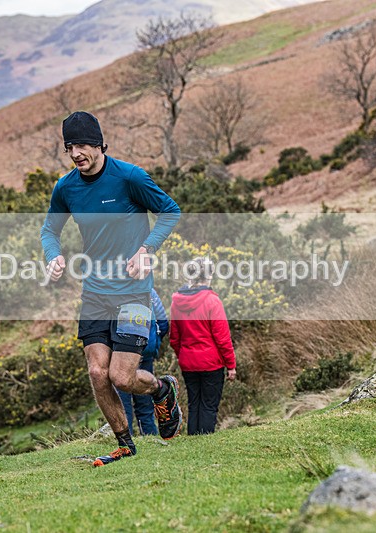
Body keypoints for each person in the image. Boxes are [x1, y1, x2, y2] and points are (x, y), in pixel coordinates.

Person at [41, 110, 182, 467]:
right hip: (94, 293)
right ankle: (124, 443)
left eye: (84, 144)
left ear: (100, 143)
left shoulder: (129, 177)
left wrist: (146, 249)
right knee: (96, 372)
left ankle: (161, 389)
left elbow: (170, 210)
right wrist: (53, 256)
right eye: (70, 146)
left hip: (134, 293)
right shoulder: (66, 187)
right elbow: (49, 230)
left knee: (122, 376)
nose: (76, 153)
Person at [169, 257, 237, 435]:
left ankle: (193, 441)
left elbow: (174, 338)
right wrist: (231, 365)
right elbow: (222, 338)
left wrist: (183, 355)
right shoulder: (212, 301)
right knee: (208, 406)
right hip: (211, 363)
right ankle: (205, 441)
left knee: (194, 404)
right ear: (208, 276)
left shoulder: (176, 302)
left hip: (188, 362)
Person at [117, 288, 168, 436]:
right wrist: (154, 343)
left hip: (121, 354)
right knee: (145, 403)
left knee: (123, 404)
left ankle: (127, 440)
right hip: (145, 350)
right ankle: (150, 437)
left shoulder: (113, 290)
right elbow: (163, 322)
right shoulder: (149, 291)